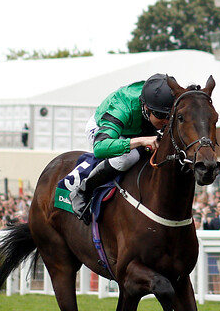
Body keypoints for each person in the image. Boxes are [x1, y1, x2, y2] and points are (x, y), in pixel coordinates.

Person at [68, 74, 174, 220]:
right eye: (161, 115)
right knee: (126, 159)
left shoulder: (163, 100)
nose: (166, 121)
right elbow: (100, 148)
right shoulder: (122, 107)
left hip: (139, 127)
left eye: (169, 116)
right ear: (146, 108)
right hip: (105, 129)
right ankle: (82, 191)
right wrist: (141, 141)